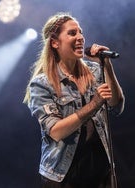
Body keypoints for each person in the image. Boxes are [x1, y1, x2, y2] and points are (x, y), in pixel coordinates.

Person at [23, 12, 125, 188]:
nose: (80, 38)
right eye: (72, 33)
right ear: (55, 43)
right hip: (64, 176)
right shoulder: (42, 84)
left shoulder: (94, 71)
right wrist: (94, 104)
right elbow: (56, 131)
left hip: (100, 172)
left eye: (81, 32)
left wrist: (106, 65)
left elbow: (117, 105)